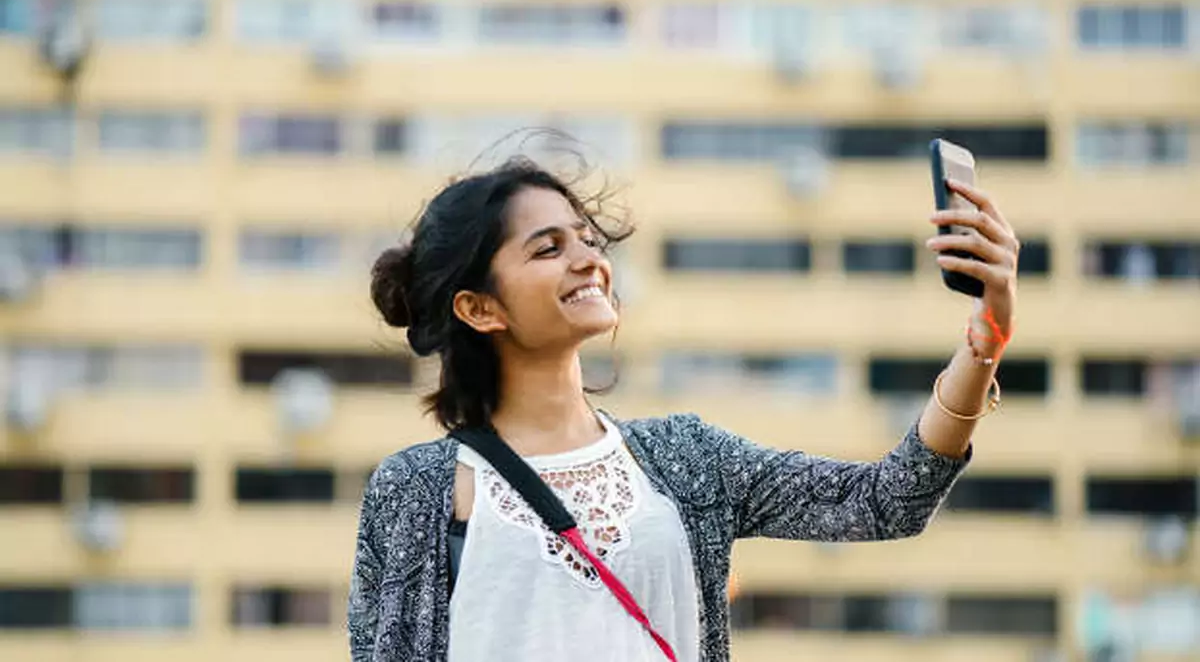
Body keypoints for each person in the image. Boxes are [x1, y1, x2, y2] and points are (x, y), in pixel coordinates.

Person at [347, 155, 1021, 662]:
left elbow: (882, 502)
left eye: (587, 240)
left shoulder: (686, 459)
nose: (588, 259)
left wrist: (984, 342)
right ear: (479, 307)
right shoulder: (417, 488)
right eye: (549, 248)